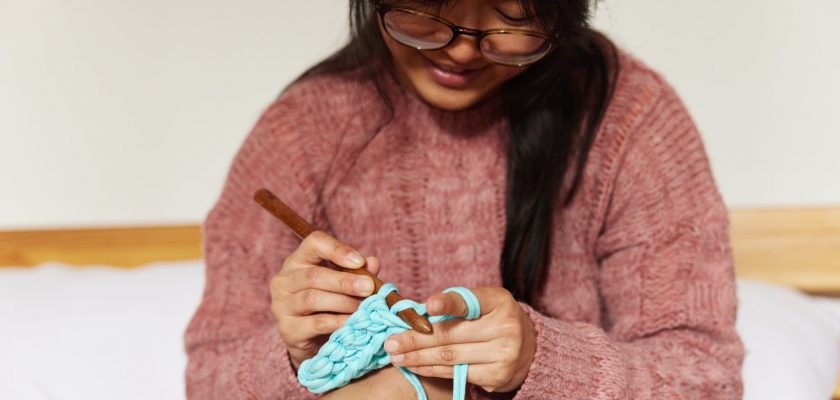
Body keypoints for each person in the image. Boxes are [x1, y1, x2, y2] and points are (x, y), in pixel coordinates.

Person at [184, 0, 745, 398]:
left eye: (511, 21)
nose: (460, 52)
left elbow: (705, 377)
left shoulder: (628, 120)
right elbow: (207, 379)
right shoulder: (302, 133)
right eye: (428, 12)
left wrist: (540, 360)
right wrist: (296, 356)